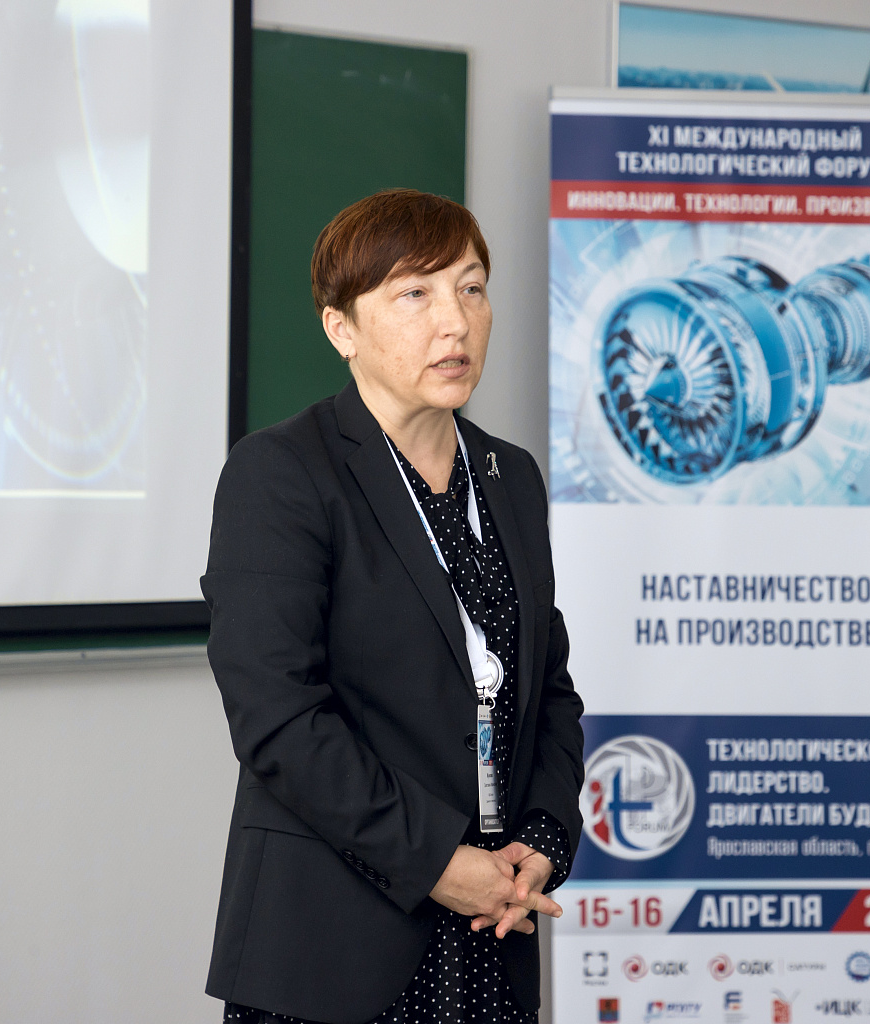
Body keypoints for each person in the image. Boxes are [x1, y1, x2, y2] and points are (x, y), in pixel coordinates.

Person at [202, 189, 586, 1024]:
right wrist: (439, 861)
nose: (455, 321)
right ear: (341, 327)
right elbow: (277, 718)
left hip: (492, 926)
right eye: (415, 293)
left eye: (472, 288)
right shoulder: (282, 473)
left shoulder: (511, 476)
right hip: (335, 939)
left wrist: (544, 838)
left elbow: (549, 692)